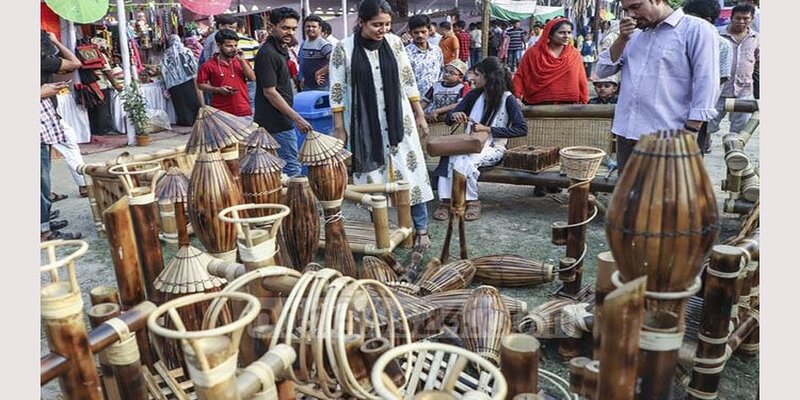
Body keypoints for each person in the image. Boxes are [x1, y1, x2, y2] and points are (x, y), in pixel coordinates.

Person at [329, 0, 434, 250]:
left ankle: (420, 228)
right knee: (371, 176)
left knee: (411, 172)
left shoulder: (396, 44)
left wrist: (419, 114)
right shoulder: (344, 48)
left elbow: (407, 78)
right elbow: (337, 88)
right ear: (361, 22)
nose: (383, 29)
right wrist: (339, 126)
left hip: (400, 119)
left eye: (387, 24)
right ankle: (381, 230)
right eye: (377, 24)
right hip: (363, 121)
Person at [595, 0, 719, 173]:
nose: (630, 15)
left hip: (669, 136)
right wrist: (622, 39)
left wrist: (691, 130)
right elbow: (602, 70)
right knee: (629, 196)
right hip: (626, 134)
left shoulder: (696, 29)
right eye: (626, 10)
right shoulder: (633, 35)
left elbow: (707, 82)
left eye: (636, 7)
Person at [433, 56, 527, 221]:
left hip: (493, 148)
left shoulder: (508, 99)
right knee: (449, 156)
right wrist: (455, 114)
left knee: (466, 161)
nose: (471, 78)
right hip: (469, 143)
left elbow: (521, 129)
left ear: (489, 76)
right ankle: (446, 201)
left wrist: (488, 129)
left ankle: (472, 201)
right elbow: (449, 119)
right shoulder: (473, 95)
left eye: (477, 75)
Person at [255, 7, 312, 177]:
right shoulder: (268, 53)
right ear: (271, 26)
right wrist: (297, 118)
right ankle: (296, 204)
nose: (290, 32)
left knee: (282, 169)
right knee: (291, 169)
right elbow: (270, 92)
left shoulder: (281, 49)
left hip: (280, 119)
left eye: (294, 28)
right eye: (285, 28)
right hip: (276, 122)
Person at [41, 30, 90, 199]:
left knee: (44, 160)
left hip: (48, 112)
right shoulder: (43, 61)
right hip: (45, 113)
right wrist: (56, 41)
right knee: (67, 144)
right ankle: (83, 185)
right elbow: (75, 63)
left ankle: (44, 199)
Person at [683, 0, 734, 154]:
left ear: (707, 20)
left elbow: (720, 80)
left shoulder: (722, 45)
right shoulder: (681, 38)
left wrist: (702, 106)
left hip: (698, 107)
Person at [708, 4, 759, 138]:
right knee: (708, 124)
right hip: (719, 90)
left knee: (740, 129)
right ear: (731, 18)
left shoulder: (756, 38)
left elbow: (759, 60)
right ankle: (704, 143)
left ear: (752, 19)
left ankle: (734, 152)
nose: (741, 22)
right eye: (738, 18)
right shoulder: (717, 35)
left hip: (744, 91)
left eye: (746, 18)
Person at [513, 18, 589, 106]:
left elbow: (581, 79)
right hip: (537, 105)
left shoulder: (574, 54)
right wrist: (517, 96)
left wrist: (584, 101)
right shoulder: (533, 53)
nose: (566, 36)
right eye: (561, 32)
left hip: (568, 106)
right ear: (550, 34)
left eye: (569, 32)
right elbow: (520, 75)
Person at [41, 82, 82, 241]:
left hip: (42, 133)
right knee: (39, 183)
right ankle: (44, 231)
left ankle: (44, 223)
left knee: (43, 183)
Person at [196, 29, 256, 117]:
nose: (234, 49)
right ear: (219, 45)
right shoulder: (208, 65)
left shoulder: (241, 61)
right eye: (229, 46)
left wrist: (242, 61)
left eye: (235, 45)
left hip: (243, 110)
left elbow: (252, 78)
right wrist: (218, 90)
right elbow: (200, 85)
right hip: (221, 113)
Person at [160, 34, 201, 126]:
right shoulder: (186, 51)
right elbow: (193, 64)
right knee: (191, 100)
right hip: (188, 80)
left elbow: (163, 69)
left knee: (180, 102)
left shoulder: (166, 54)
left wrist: (167, 82)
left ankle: (185, 121)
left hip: (173, 83)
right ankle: (195, 120)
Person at [405, 14, 444, 102]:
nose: (420, 35)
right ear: (410, 32)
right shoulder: (405, 53)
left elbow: (441, 73)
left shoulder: (437, 51)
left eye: (423, 32)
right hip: (415, 101)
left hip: (435, 100)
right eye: (416, 32)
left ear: (429, 31)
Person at [299, 15, 333, 91]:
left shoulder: (324, 45)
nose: (310, 29)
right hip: (307, 86)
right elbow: (303, 63)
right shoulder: (304, 44)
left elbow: (336, 62)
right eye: (308, 26)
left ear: (320, 28)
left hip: (321, 87)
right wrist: (303, 77)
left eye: (314, 26)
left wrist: (320, 72)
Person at [235, 18, 261, 112]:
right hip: (250, 77)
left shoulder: (229, 43)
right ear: (242, 28)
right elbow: (259, 60)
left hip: (235, 78)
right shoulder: (251, 42)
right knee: (251, 103)